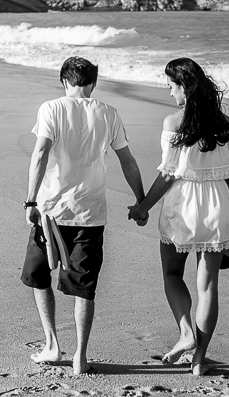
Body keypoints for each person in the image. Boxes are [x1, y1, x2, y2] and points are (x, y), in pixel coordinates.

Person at [129, 58, 229, 376]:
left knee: (173, 274)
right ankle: (199, 360)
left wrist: (143, 207)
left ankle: (186, 333)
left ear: (184, 87)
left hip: (183, 206)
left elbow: (167, 175)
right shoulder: (223, 123)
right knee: (209, 287)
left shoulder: (173, 122)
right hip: (218, 205)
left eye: (171, 86)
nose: (169, 92)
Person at [21, 56, 146, 375]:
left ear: (64, 81)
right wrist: (140, 199)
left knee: (38, 275)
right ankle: (81, 356)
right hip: (90, 213)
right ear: (93, 83)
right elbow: (127, 161)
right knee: (83, 285)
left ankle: (51, 345)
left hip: (50, 211)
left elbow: (40, 154)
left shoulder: (51, 108)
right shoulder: (109, 113)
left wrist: (30, 201)